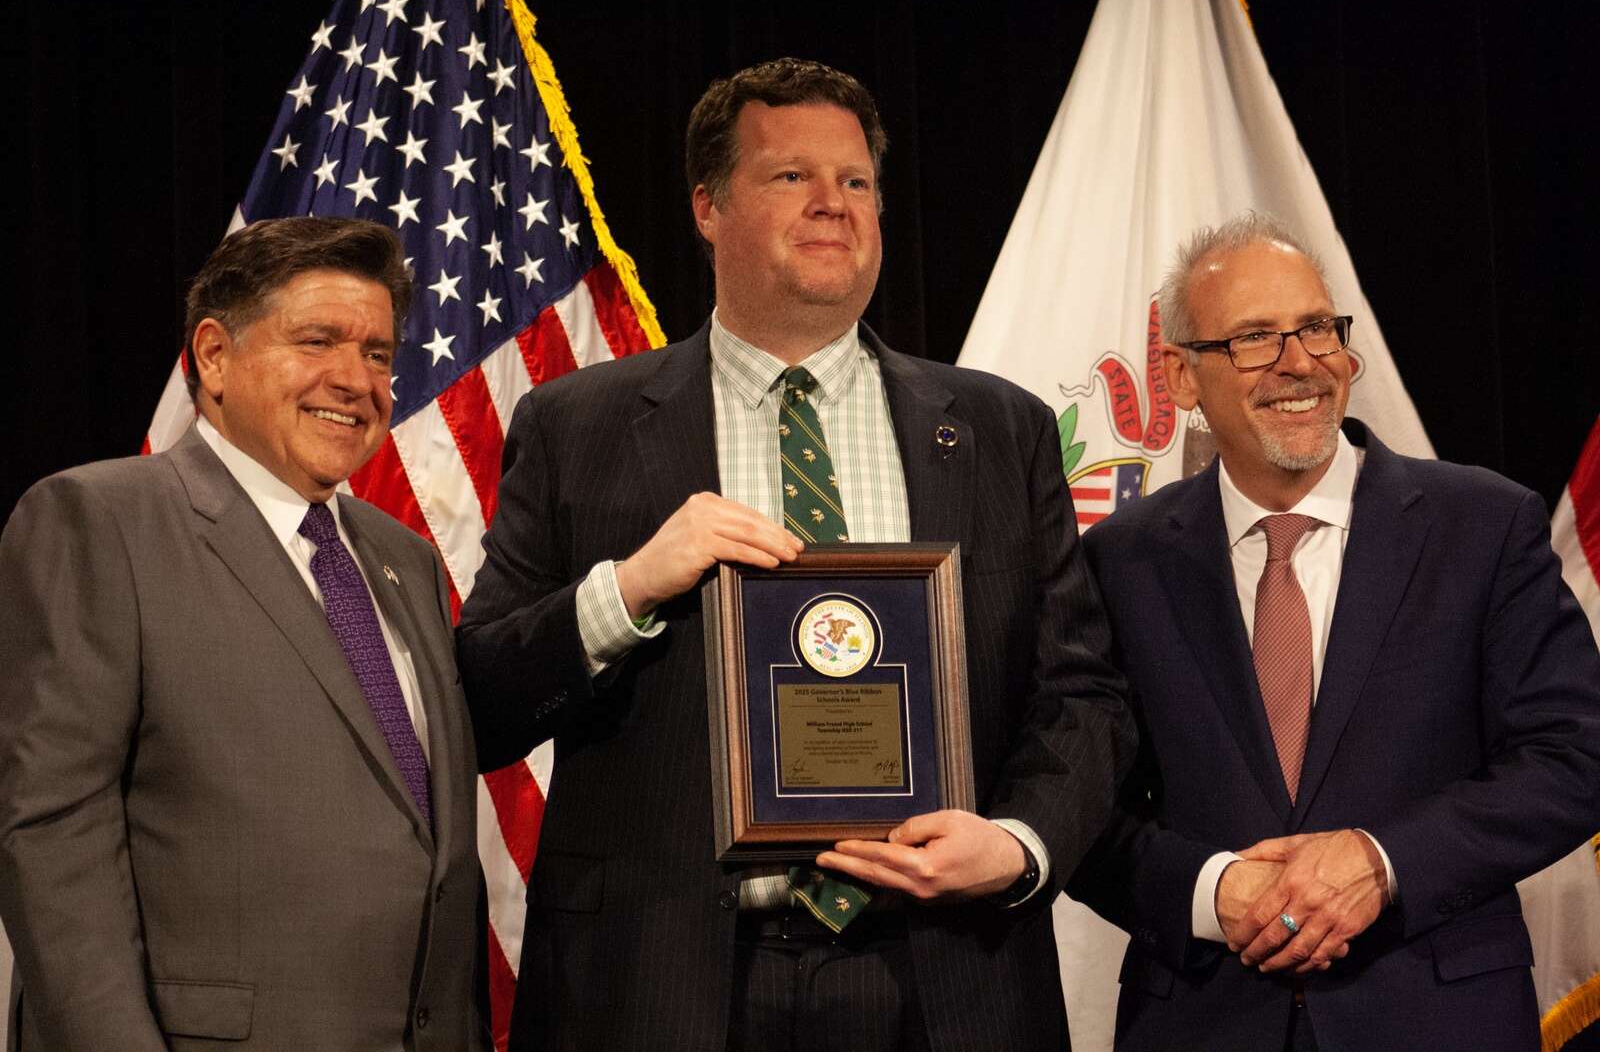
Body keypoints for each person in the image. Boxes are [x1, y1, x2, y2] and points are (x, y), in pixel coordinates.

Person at [457, 58, 1135, 1051]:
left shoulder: (1001, 429)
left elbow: (1081, 696)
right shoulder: (577, 426)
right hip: (661, 985)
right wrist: (628, 589)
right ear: (707, 206)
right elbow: (480, 703)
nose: (833, 203)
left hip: (946, 978)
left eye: (856, 180)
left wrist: (1017, 843)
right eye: (791, 176)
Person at [1068, 212, 1600, 1051]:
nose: (1300, 362)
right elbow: (1078, 807)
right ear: (1181, 377)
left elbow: (1575, 756)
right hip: (1204, 1022)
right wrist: (1211, 891)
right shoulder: (1118, 561)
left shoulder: (1483, 525)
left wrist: (1382, 861)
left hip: (1439, 1020)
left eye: (1317, 327)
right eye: (1255, 338)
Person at [0, 217, 491, 1051]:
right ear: (215, 356)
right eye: (317, 341)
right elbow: (52, 837)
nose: (356, 380)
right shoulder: (102, 522)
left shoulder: (402, 558)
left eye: (377, 354)